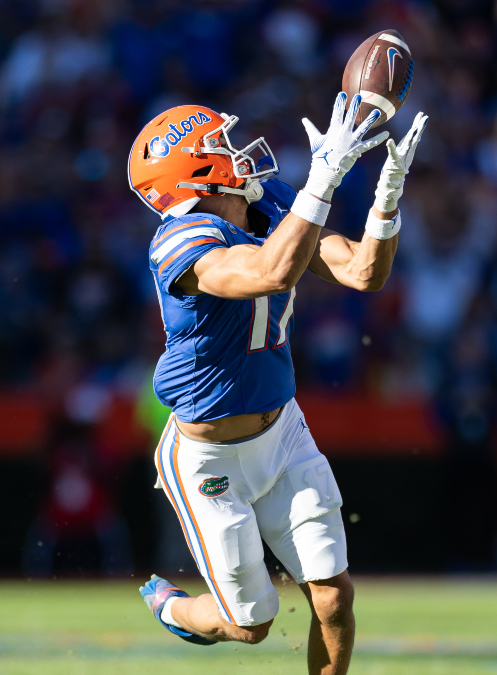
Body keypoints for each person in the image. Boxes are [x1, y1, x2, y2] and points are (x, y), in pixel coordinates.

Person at [130, 93, 426, 675]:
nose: (239, 153)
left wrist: (386, 199)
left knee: (334, 596)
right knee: (249, 624)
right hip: (209, 455)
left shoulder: (266, 206)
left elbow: (363, 271)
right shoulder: (179, 242)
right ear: (196, 172)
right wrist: (322, 180)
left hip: (282, 429)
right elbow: (270, 271)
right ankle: (176, 608)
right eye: (221, 147)